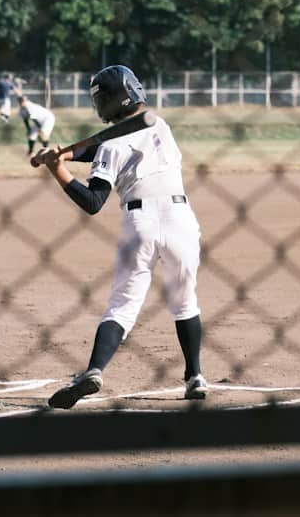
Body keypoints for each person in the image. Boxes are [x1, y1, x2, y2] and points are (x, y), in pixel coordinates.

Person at [34, 65, 207, 408]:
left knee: (122, 308)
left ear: (106, 102)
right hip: (181, 221)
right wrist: (66, 152)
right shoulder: (159, 125)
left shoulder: (110, 147)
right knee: (185, 301)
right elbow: (103, 142)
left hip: (139, 223)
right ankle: (195, 377)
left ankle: (94, 370)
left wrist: (58, 169)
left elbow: (93, 201)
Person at [18, 92, 57, 160]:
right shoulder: (21, 110)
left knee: (43, 134)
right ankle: (30, 152)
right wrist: (29, 129)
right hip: (38, 121)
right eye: (20, 101)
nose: (22, 102)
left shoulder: (30, 106)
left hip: (47, 118)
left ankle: (46, 151)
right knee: (31, 135)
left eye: (23, 100)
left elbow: (34, 118)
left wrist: (40, 129)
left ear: (26, 100)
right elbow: (25, 120)